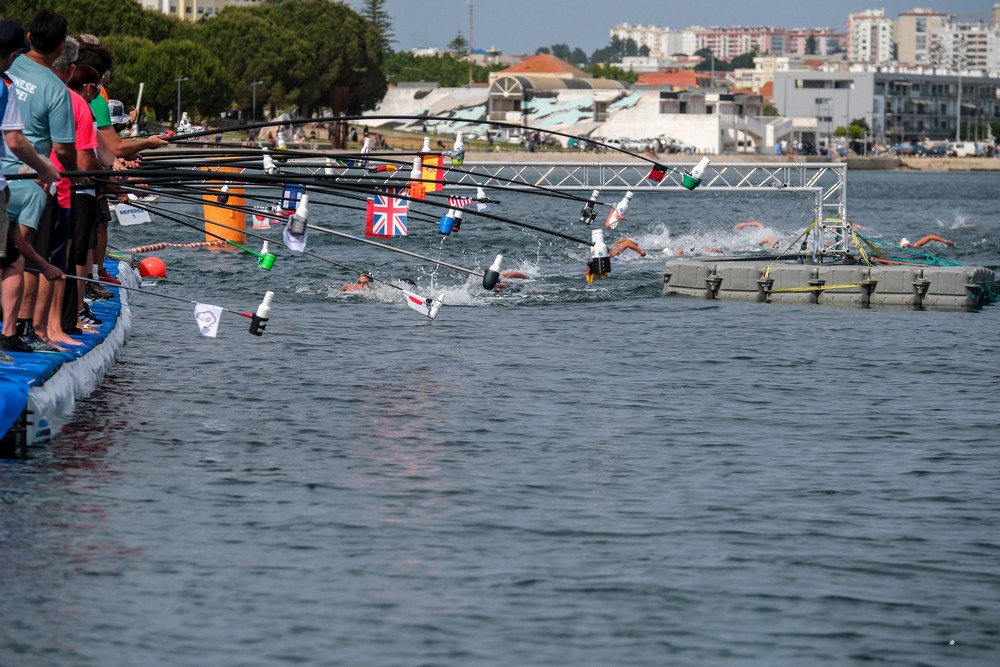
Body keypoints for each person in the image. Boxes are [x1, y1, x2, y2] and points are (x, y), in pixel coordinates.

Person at [2, 11, 77, 354]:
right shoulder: (57, 90)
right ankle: (20, 330)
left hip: (6, 175)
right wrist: (66, 173)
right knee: (25, 260)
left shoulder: (9, 69)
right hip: (29, 181)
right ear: (60, 47)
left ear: (29, 38)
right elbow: (62, 149)